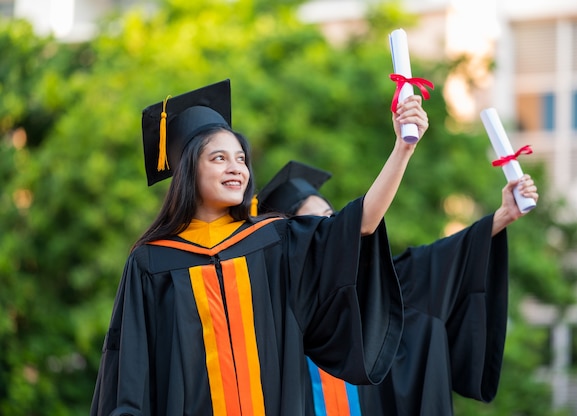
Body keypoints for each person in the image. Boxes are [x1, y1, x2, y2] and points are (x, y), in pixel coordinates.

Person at [89, 78, 430, 416]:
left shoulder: (275, 242)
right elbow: (130, 371)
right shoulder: (153, 263)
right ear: (189, 169)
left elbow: (361, 224)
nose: (236, 168)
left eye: (240, 158)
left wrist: (403, 148)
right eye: (219, 158)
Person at [256, 160, 539, 415]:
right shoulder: (266, 301)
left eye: (331, 214)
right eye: (315, 221)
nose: (330, 225)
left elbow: (434, 264)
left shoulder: (369, 287)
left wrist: (503, 216)